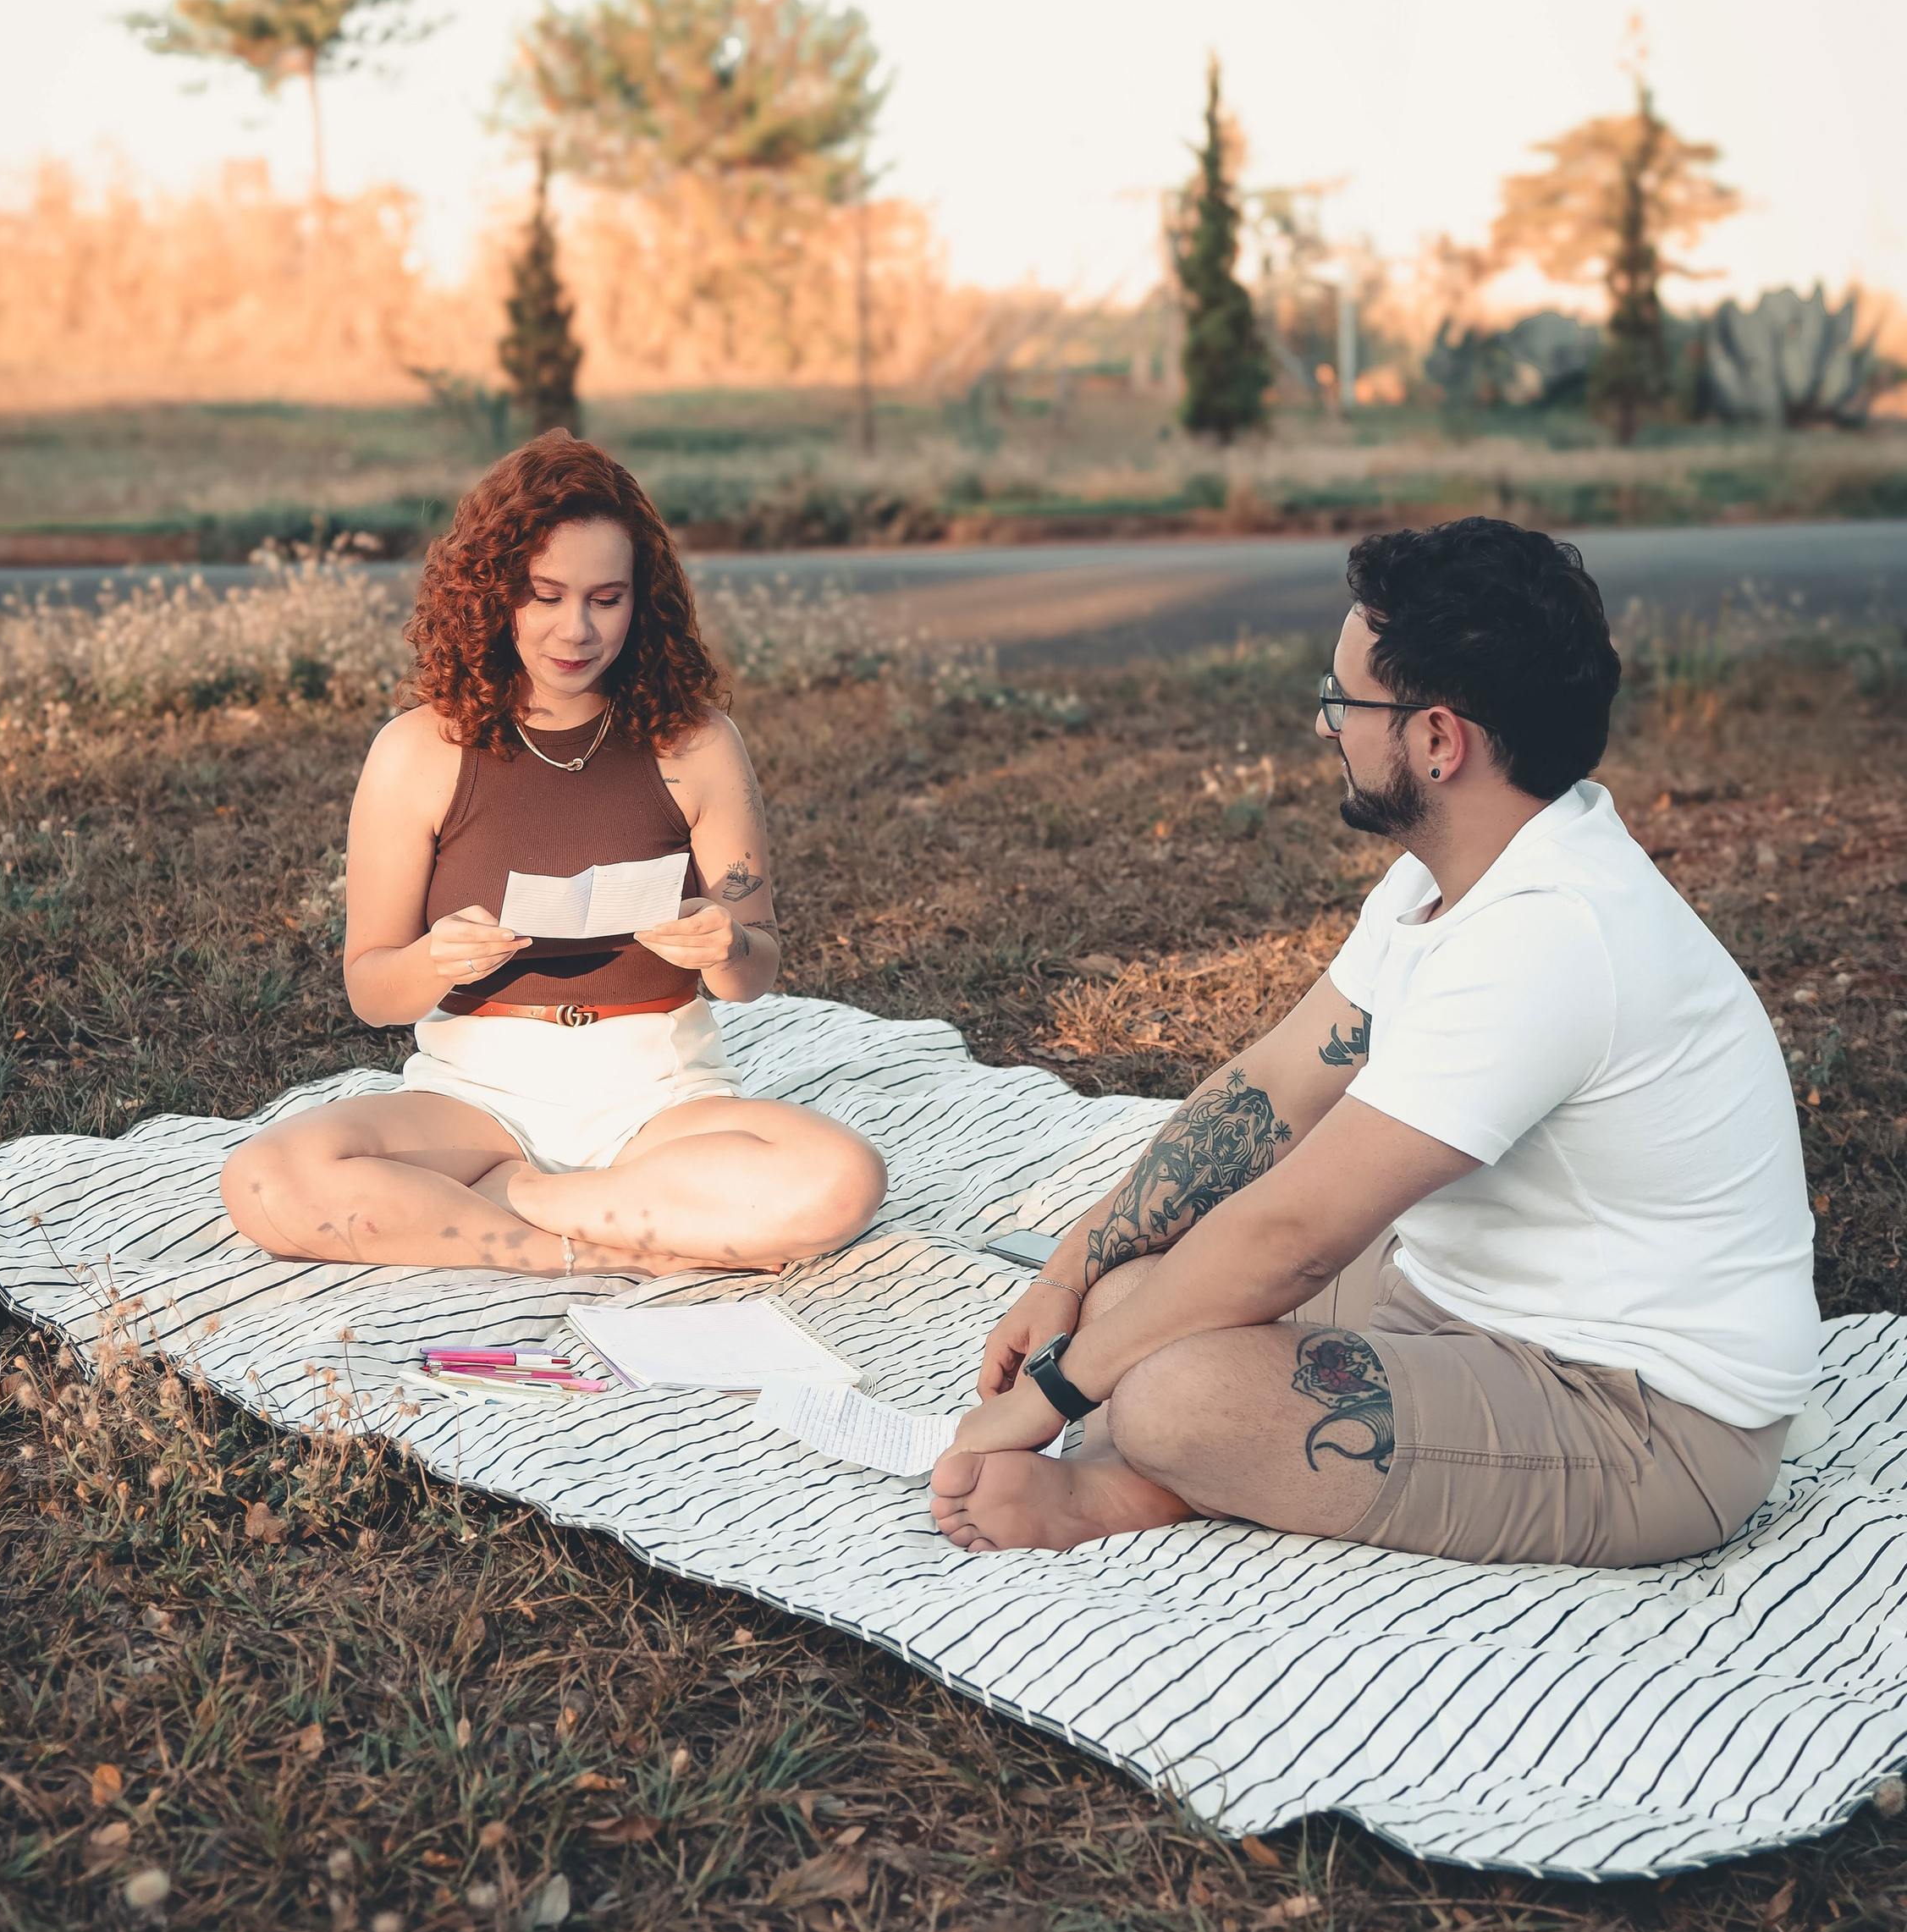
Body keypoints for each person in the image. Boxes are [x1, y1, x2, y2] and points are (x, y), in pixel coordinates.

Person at [931, 515, 1817, 1568]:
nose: (1324, 726)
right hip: (1449, 1299)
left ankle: (1142, 1487)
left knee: (1173, 1394)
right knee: (1129, 1296)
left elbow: (1296, 1232)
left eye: (1341, 700)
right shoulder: (1444, 880)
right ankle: (1183, 1463)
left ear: (1439, 741)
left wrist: (1050, 1395)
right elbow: (1272, 1088)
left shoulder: (1549, 936)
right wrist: (1063, 1277)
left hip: (1639, 1415)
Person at [221, 434, 885, 1277]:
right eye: (545, 596)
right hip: (474, 1102)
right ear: (493, 593)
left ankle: (514, 1202)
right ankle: (584, 1249)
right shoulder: (417, 749)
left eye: (607, 599)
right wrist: (433, 960)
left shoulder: (700, 744)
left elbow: (754, 970)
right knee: (267, 1178)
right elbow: (371, 990)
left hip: (661, 1101)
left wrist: (725, 944)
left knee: (843, 1180)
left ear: (642, 602)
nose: (577, 630)